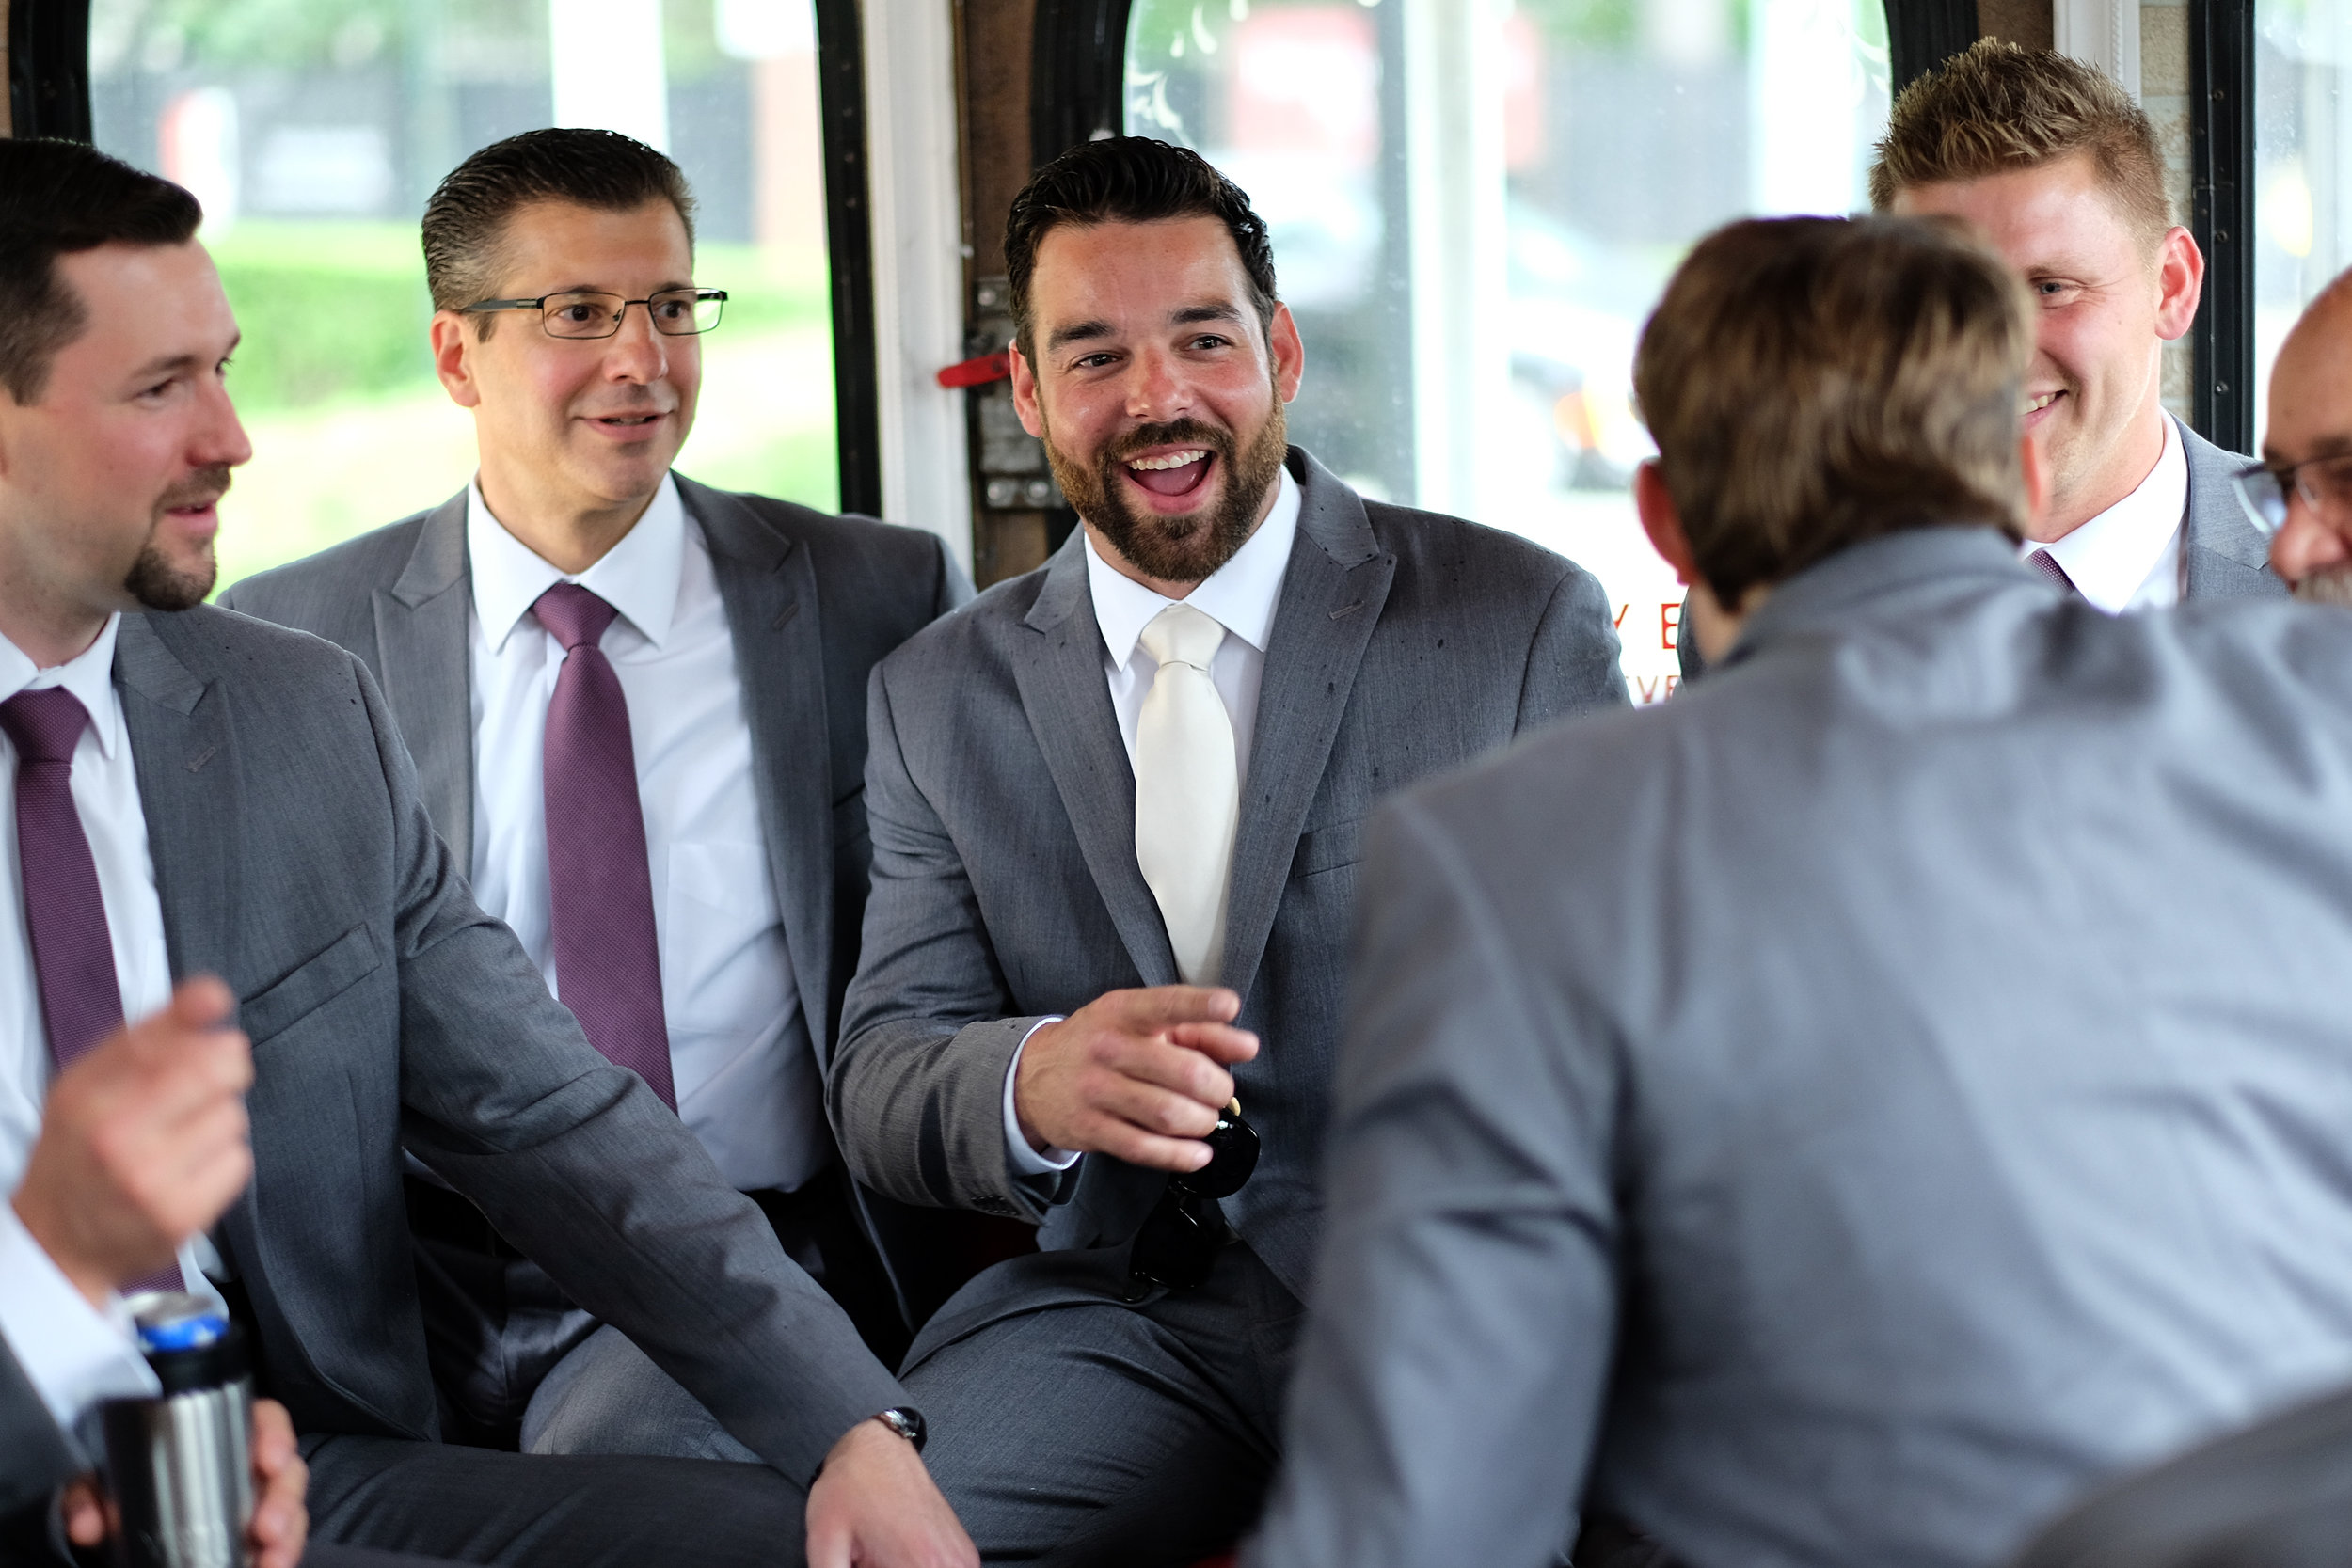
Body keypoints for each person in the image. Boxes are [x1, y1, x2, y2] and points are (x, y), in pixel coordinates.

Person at [1248, 214, 2352, 1568]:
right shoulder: (2307, 718)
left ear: (1662, 520)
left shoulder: (1503, 860)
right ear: (2020, 467)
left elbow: (1417, 1513)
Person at [0, 136, 972, 1568]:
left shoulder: (289, 706)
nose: (234, 436)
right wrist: (53, 1280)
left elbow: (544, 1111)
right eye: (162, 388)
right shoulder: (340, 632)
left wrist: (846, 1424)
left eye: (223, 368)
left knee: (802, 1544)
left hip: (273, 1456)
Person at [818, 135, 1628, 1564]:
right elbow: (882, 1072)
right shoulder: (935, 693)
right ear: (1027, 392)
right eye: (1095, 355)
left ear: (1284, 349)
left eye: (1203, 338)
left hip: (1439, 1304)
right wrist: (1031, 1078)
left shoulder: (1518, 623)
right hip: (1113, 1316)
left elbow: (1644, 1031)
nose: (1160, 398)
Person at [1677, 40, 2283, 679]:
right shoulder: (1774, 599)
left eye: (2050, 288)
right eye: (1948, 300)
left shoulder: (2324, 581)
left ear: (2173, 285)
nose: (1998, 356)